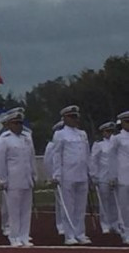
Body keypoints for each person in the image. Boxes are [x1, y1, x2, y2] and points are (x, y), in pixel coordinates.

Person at [50, 105, 91, 245]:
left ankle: (80, 233)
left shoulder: (82, 134)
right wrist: (56, 174)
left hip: (81, 174)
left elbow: (87, 154)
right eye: (72, 116)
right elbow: (57, 155)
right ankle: (69, 235)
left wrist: (89, 172)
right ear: (65, 118)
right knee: (68, 206)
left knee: (80, 206)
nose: (75, 119)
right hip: (67, 174)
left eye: (76, 116)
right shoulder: (60, 134)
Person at [0, 110, 36, 247]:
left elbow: (31, 159)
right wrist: (2, 179)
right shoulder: (4, 139)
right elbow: (1, 162)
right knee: (14, 211)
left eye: (20, 123)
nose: (18, 125)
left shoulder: (27, 138)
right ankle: (14, 237)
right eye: (15, 123)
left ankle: (24, 236)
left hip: (26, 179)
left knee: (26, 210)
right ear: (8, 124)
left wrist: (33, 175)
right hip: (13, 180)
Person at [89, 120, 121, 235]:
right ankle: (105, 224)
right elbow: (93, 161)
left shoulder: (117, 142)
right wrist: (94, 176)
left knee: (115, 202)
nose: (110, 134)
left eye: (112, 131)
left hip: (115, 177)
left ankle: (115, 223)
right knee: (104, 202)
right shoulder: (99, 144)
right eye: (108, 131)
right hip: (103, 177)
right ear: (103, 132)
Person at [109, 110, 129, 244]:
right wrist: (112, 176)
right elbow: (111, 158)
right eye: (127, 122)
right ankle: (126, 232)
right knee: (125, 207)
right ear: (122, 123)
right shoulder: (117, 138)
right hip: (123, 176)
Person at [44, 120, 64, 237]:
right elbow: (48, 162)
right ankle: (60, 225)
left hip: (69, 175)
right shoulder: (51, 146)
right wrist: (51, 176)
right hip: (58, 177)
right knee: (60, 202)